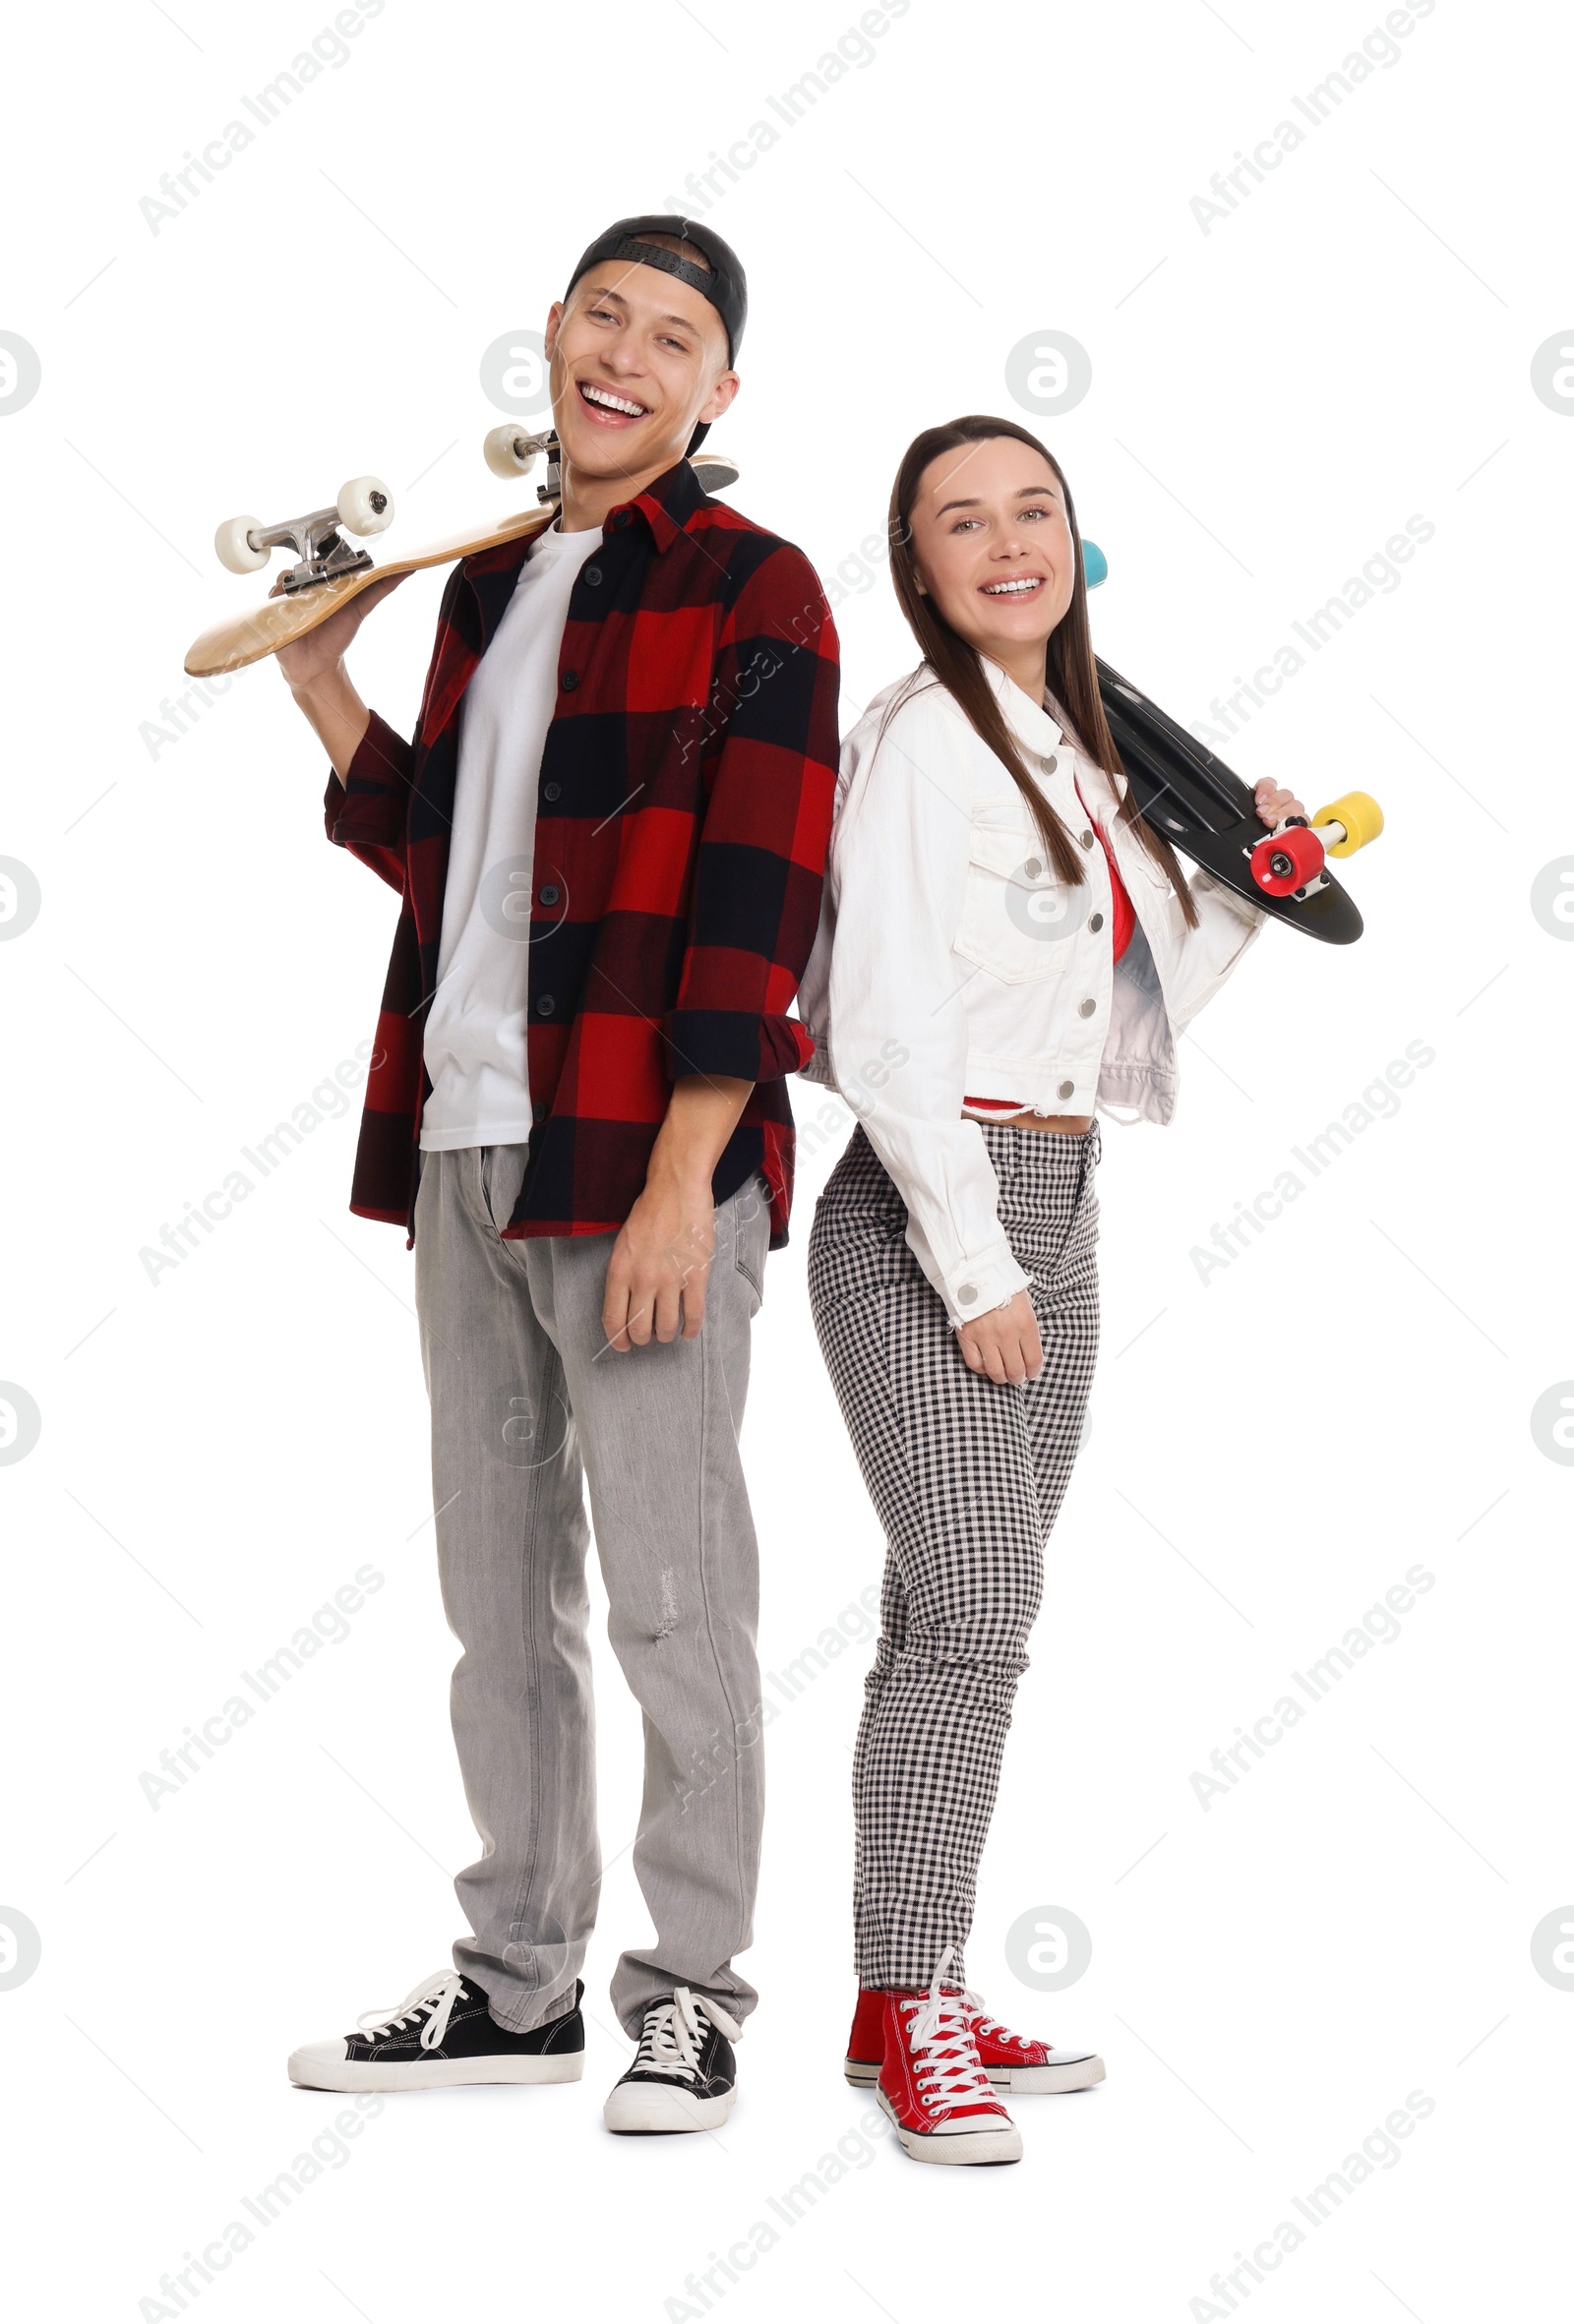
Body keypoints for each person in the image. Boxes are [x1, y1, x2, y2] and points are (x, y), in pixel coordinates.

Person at [277, 216, 840, 2134]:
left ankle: (687, 1991)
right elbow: (449, 861)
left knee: (677, 1593)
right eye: (602, 314)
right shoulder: (490, 583)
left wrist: (692, 1172)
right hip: (458, 1143)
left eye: (671, 336)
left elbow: (756, 904)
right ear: (551, 337)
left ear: (714, 392)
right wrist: (319, 681)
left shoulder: (754, 587)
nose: (624, 353)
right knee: (495, 1593)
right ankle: (516, 1978)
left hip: (638, 1163)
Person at [799, 413, 1301, 2165]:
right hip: (929, 1216)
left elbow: (1128, 1014)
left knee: (961, 1618)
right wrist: (974, 1258)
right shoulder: (926, 740)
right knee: (977, 1592)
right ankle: (919, 1987)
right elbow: (882, 1028)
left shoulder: (1086, 753)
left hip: (1060, 1195)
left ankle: (895, 1990)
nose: (1004, 541)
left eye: (1034, 510)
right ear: (919, 566)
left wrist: (1250, 881)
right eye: (961, 521)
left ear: (1073, 544)